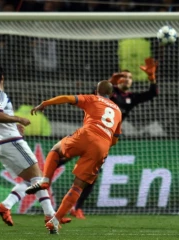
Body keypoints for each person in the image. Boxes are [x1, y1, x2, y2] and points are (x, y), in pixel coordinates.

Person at [25, 80, 122, 234]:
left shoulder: (92, 98)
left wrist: (45, 103)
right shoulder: (118, 110)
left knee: (56, 150)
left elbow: (67, 98)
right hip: (103, 145)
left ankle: (45, 181)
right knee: (78, 186)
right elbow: (115, 139)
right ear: (111, 94)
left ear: (96, 90)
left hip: (87, 134)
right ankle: (54, 221)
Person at [0, 64, 70, 226]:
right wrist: (19, 119)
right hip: (11, 141)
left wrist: (11, 125)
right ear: (2, 77)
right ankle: (48, 215)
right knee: (39, 177)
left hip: (1, 143)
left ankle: (13, 207)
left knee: (32, 180)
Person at [69, 57, 158, 219]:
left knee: (92, 175)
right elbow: (92, 96)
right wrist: (110, 82)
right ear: (117, 79)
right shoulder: (108, 94)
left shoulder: (130, 98)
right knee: (59, 159)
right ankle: (41, 186)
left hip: (102, 142)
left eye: (130, 77)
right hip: (86, 134)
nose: (127, 80)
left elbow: (152, 94)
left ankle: (77, 207)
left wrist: (151, 78)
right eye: (124, 76)